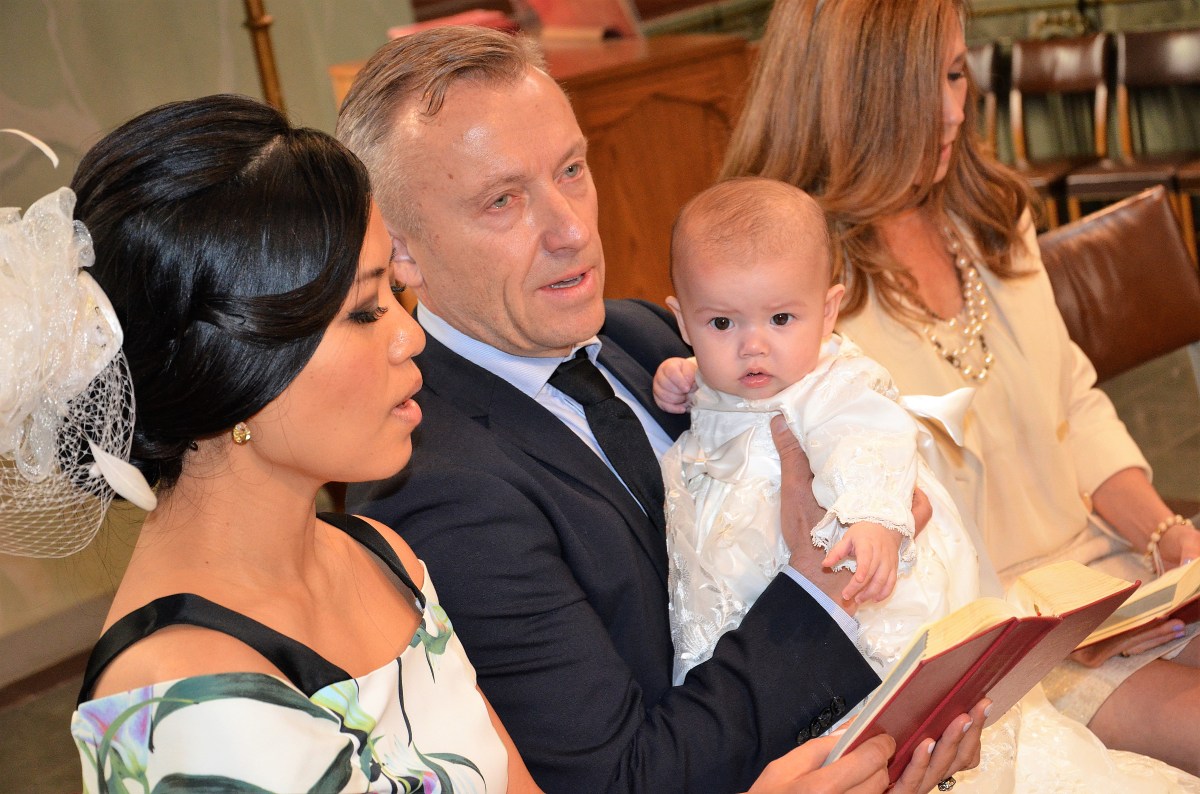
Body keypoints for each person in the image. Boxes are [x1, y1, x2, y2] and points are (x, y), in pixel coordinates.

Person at [337, 25, 986, 794]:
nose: (572, 229)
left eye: (571, 169)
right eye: (503, 201)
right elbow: (622, 778)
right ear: (401, 251)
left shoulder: (646, 335)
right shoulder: (435, 485)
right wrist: (822, 596)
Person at [722, 0, 1200, 777]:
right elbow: (863, 570)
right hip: (1001, 651)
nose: (952, 110)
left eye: (955, 73)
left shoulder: (989, 215)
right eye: (923, 85)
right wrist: (1064, 626)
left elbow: (1071, 401)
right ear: (849, 96)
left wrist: (1165, 538)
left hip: (1108, 582)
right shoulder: (787, 304)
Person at [65, 94, 540, 792]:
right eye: (365, 311)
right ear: (230, 368)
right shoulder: (190, 704)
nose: (410, 336)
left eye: (393, 296)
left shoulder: (381, 556)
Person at [653, 177, 978, 682]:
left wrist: (870, 518)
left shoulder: (834, 382)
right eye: (722, 324)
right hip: (734, 571)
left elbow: (868, 439)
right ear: (683, 322)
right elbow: (716, 395)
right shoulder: (722, 376)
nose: (753, 346)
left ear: (828, 312)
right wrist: (683, 376)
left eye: (781, 318)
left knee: (873, 662)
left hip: (843, 549)